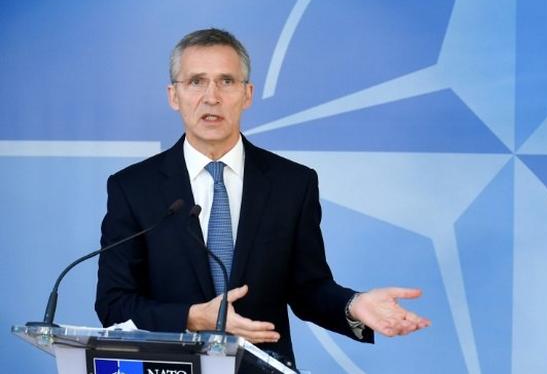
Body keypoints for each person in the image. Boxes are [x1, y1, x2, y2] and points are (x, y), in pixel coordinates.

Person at [95, 28, 430, 368]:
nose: (211, 97)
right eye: (196, 81)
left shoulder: (292, 184)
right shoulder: (133, 188)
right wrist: (193, 318)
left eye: (226, 81)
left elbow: (308, 289)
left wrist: (353, 306)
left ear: (248, 93)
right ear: (173, 95)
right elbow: (114, 304)